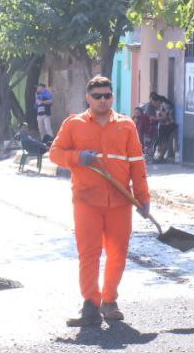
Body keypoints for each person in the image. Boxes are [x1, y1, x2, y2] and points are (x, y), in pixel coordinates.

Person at [50, 76, 150, 327]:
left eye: (107, 95)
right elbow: (55, 153)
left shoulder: (126, 125)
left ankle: (109, 300)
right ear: (88, 98)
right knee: (89, 254)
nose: (103, 100)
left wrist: (143, 198)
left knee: (118, 254)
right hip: (86, 200)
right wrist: (78, 157)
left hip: (120, 201)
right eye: (98, 96)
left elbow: (137, 164)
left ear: (112, 97)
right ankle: (91, 305)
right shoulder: (74, 124)